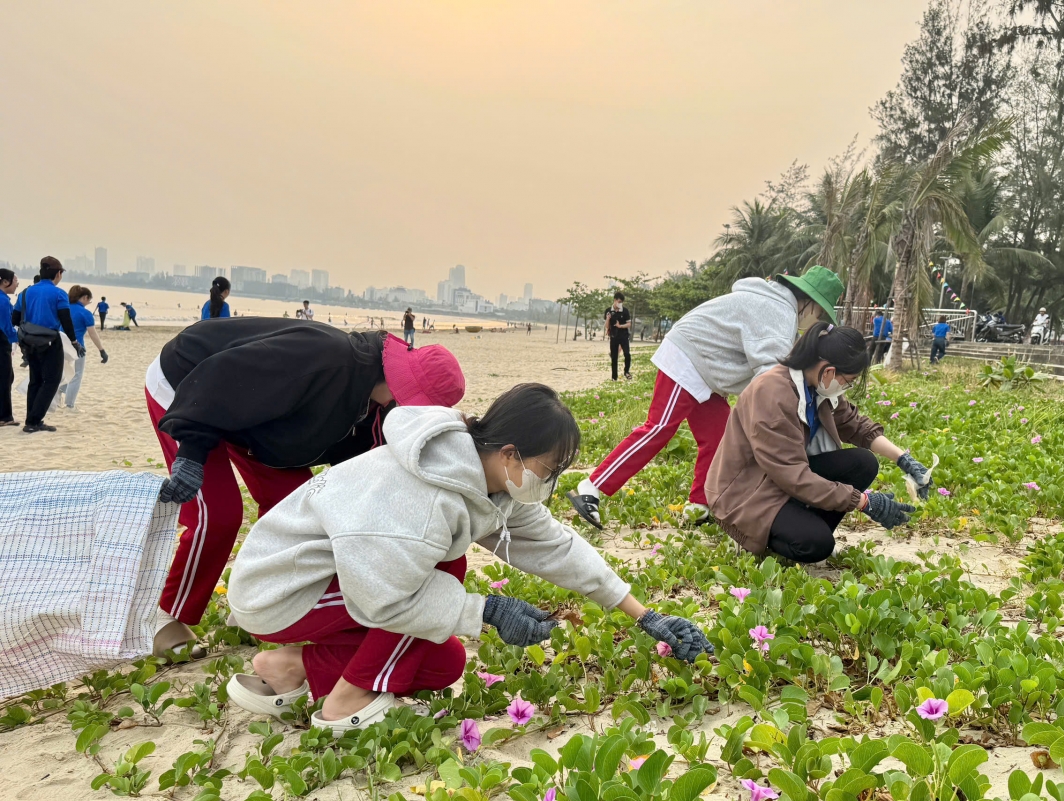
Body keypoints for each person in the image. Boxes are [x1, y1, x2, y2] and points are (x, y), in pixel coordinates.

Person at [223, 384, 713, 734]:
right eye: (550, 469)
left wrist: (646, 615)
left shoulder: (485, 481)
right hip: (281, 591)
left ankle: (291, 668)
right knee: (448, 568)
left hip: (349, 580)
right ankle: (342, 707)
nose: (553, 483)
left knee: (444, 663)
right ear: (510, 454)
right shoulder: (426, 497)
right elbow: (384, 598)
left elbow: (556, 546)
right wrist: (488, 612)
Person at [147, 318, 467, 658]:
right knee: (218, 514)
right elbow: (217, 379)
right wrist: (192, 452)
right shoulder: (325, 358)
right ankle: (165, 618)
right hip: (188, 390)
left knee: (295, 506)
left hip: (257, 418)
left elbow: (359, 472)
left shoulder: (376, 407)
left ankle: (259, 598)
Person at [569, 267, 843, 529]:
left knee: (719, 437)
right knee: (659, 427)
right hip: (689, 357)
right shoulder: (778, 311)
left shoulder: (777, 305)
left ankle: (701, 504)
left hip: (706, 368)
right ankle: (591, 487)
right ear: (807, 301)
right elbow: (771, 374)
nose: (816, 319)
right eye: (819, 312)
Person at [707, 324, 934, 564]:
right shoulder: (772, 394)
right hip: (747, 492)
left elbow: (855, 425)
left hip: (779, 479)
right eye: (850, 380)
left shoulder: (817, 386)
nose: (848, 386)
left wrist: (904, 460)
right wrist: (864, 502)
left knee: (863, 462)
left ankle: (802, 525)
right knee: (816, 545)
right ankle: (755, 537)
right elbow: (792, 474)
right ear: (829, 371)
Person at [11, 256, 78, 433]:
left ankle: (30, 419)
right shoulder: (59, 293)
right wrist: (73, 340)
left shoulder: (26, 292)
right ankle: (34, 420)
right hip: (49, 341)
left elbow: (15, 318)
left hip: (29, 341)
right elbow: (66, 320)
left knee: (36, 380)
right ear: (57, 274)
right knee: (51, 381)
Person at [54, 286, 108, 410]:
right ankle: (69, 405)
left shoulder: (62, 309)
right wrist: (101, 350)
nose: (89, 302)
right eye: (89, 299)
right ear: (84, 297)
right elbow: (92, 333)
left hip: (60, 345)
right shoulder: (85, 313)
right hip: (77, 347)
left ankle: (57, 397)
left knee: (63, 374)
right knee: (76, 375)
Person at [0, 269, 18, 426]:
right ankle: (5, 417)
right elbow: (6, 326)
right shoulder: (3, 301)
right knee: (5, 378)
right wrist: (19, 339)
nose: (17, 284)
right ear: (5, 282)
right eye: (15, 280)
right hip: (1, 342)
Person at [605, 293, 632, 381]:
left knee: (627, 354)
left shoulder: (625, 311)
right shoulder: (609, 311)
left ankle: (626, 371)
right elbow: (607, 326)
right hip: (614, 336)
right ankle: (614, 377)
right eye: (619, 301)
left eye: (621, 302)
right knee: (614, 357)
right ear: (615, 300)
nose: (620, 304)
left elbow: (629, 324)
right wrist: (608, 319)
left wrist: (620, 326)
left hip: (624, 336)